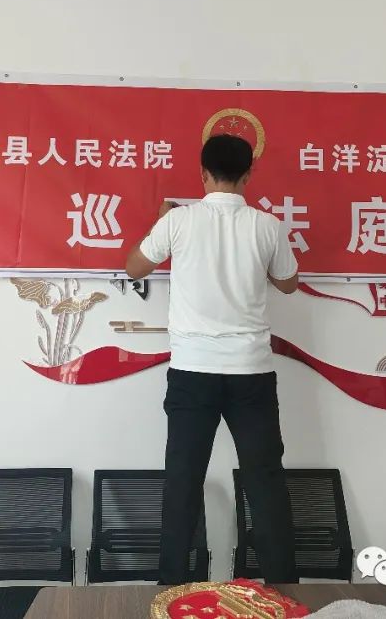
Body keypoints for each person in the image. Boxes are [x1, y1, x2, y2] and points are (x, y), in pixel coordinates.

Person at [125, 133, 300, 586]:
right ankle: (283, 591)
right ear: (248, 175)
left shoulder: (178, 221)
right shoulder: (267, 226)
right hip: (251, 372)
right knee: (265, 481)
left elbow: (134, 267)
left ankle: (170, 590)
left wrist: (160, 223)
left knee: (182, 481)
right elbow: (288, 284)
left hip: (192, 373)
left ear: (203, 174)